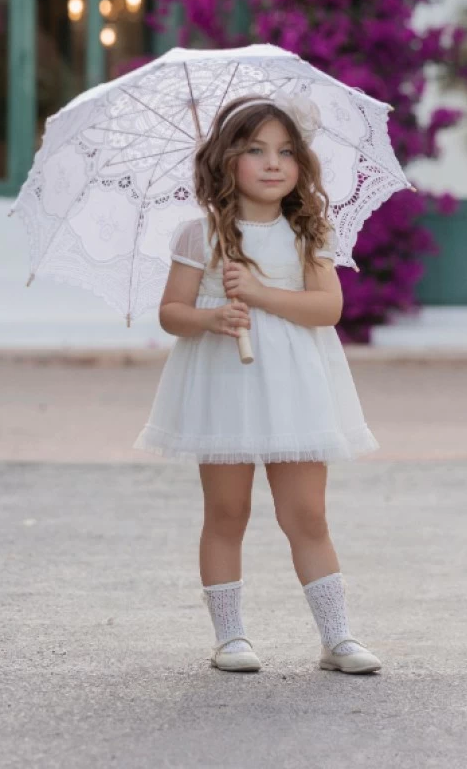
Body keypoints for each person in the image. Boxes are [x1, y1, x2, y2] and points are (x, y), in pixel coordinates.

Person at [133, 93, 382, 675]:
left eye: (286, 151)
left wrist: (260, 291)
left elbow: (328, 309)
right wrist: (211, 317)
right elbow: (171, 313)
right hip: (224, 385)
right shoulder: (200, 236)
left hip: (295, 387)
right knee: (226, 511)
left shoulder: (309, 232)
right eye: (255, 150)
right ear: (225, 161)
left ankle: (337, 637)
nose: (274, 163)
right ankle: (231, 638)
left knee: (307, 515)